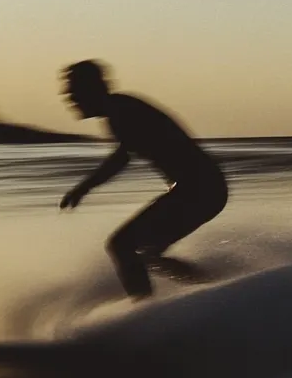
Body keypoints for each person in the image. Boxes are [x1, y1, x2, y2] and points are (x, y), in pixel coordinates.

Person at [59, 60, 228, 300]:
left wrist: (83, 188)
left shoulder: (122, 110)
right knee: (146, 253)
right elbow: (124, 155)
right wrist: (83, 188)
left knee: (121, 246)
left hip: (200, 189)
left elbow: (121, 159)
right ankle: (217, 290)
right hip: (201, 188)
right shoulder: (119, 109)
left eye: (73, 91)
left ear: (91, 88)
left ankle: (146, 306)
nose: (69, 98)